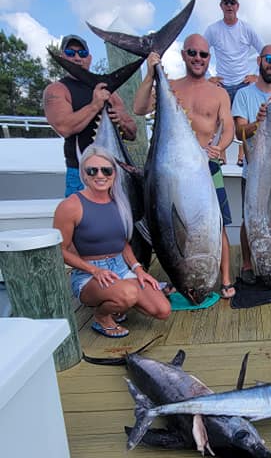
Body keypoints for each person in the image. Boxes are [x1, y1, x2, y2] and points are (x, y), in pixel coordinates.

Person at [133, 34, 236, 299]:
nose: (198, 59)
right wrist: (150, 72)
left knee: (218, 225)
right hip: (171, 172)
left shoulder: (218, 92)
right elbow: (139, 107)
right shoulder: (173, 87)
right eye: (192, 53)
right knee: (169, 223)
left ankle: (225, 279)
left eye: (203, 54)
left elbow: (228, 127)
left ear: (209, 58)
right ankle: (177, 275)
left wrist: (221, 147)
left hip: (206, 169)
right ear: (184, 55)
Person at [53, 145, 170, 337]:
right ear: (84, 174)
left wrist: (138, 269)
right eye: (93, 170)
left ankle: (118, 304)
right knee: (129, 293)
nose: (100, 175)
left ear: (114, 173)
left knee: (162, 310)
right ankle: (102, 317)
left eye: (106, 170)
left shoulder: (120, 202)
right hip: (88, 274)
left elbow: (122, 244)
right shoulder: (70, 206)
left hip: (121, 268)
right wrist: (94, 270)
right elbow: (60, 250)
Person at [43, 35, 137, 197]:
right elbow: (64, 128)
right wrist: (95, 106)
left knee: (120, 220)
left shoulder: (109, 92)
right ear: (62, 57)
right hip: (81, 172)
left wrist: (121, 121)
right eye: (70, 53)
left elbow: (132, 133)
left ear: (90, 58)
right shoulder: (57, 90)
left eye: (82, 53)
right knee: (82, 219)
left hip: (113, 172)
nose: (77, 57)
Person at [232, 44, 271, 284]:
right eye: (270, 59)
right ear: (259, 60)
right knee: (251, 218)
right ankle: (248, 264)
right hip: (254, 171)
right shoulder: (244, 95)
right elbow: (239, 132)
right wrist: (257, 123)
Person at [204, 0, 263, 103]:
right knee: (221, 120)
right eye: (226, 3)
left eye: (232, 2)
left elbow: (265, 51)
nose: (229, 6)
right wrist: (208, 77)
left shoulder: (247, 28)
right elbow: (199, 52)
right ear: (221, 6)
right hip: (221, 87)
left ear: (238, 6)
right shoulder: (212, 30)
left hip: (244, 85)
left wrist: (257, 75)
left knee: (244, 121)